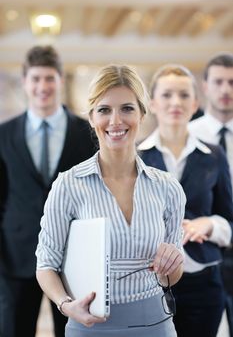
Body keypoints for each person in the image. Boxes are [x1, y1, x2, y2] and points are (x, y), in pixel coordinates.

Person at [35, 64, 186, 337]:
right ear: (92, 117)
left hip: (156, 325)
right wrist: (66, 304)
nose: (116, 121)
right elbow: (46, 265)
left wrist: (172, 264)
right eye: (104, 110)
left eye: (127, 108)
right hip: (89, 326)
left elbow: (171, 278)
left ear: (142, 113)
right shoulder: (68, 185)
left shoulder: (168, 188)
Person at [0, 45, 96, 337]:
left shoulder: (87, 133)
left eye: (49, 78)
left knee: (74, 332)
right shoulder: (3, 135)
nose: (43, 86)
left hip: (73, 256)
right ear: (25, 82)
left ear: (60, 81)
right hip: (15, 257)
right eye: (36, 79)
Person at [138, 64, 233, 337]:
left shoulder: (213, 155)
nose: (175, 102)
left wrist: (209, 224)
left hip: (204, 282)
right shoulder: (137, 157)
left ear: (195, 103)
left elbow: (229, 219)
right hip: (150, 283)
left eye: (183, 95)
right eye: (167, 95)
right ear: (153, 104)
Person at [189, 52, 233, 337]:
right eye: (218, 82)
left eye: (231, 82)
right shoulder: (188, 135)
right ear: (205, 87)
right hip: (206, 250)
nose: (225, 90)